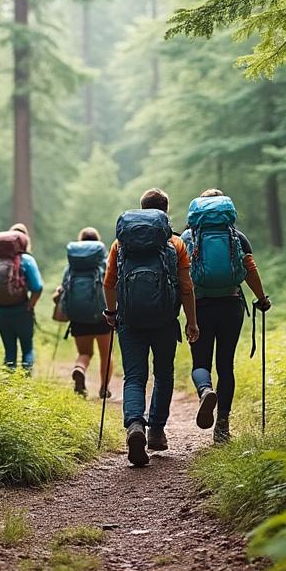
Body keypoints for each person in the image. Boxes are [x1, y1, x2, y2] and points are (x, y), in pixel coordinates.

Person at [103, 188, 199, 467]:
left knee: (134, 376)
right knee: (163, 373)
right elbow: (186, 287)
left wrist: (112, 312)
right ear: (165, 211)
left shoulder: (120, 243)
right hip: (165, 320)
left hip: (130, 320)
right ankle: (156, 430)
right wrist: (192, 321)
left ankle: (135, 425)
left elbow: (109, 283)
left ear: (141, 208)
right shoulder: (175, 243)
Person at [180, 188, 271, 443]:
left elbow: (181, 276)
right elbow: (250, 269)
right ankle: (222, 427)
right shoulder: (236, 237)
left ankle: (205, 391)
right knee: (225, 365)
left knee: (200, 363)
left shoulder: (187, 237)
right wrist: (262, 299)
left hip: (199, 306)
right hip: (231, 305)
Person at [54, 227, 112, 398]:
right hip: (102, 316)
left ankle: (79, 368)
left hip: (78, 316)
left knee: (84, 353)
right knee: (106, 354)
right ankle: (104, 388)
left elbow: (63, 288)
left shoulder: (71, 267)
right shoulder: (104, 264)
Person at [0, 222, 43, 372]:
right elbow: (37, 286)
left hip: (0, 312)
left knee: (9, 351)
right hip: (22, 311)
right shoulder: (26, 260)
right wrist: (30, 305)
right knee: (27, 349)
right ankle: (25, 382)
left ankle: (9, 382)